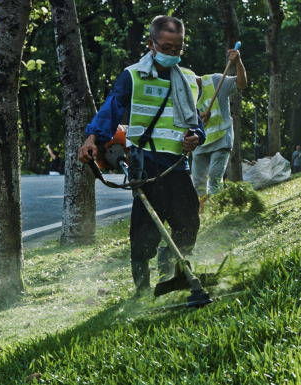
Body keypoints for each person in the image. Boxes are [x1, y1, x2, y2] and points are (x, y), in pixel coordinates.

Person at [77, 15, 206, 295]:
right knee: (145, 230)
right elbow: (112, 108)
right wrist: (92, 139)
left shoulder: (188, 80)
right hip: (144, 164)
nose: (173, 53)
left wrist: (196, 138)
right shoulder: (133, 75)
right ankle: (142, 290)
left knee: (189, 222)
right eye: (167, 47)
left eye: (178, 48)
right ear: (151, 44)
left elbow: (197, 123)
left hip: (176, 166)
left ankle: (172, 271)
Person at [191, 49, 247, 215]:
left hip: (221, 139)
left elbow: (241, 84)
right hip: (200, 143)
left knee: (214, 179)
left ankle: (216, 213)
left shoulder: (215, 81)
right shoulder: (184, 95)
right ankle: (200, 215)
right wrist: (199, 119)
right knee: (198, 183)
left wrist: (238, 62)